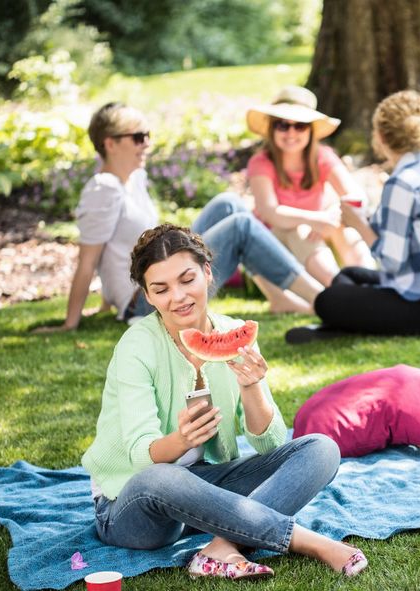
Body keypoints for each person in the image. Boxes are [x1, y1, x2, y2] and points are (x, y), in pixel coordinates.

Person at [81, 223, 368, 581]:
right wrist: (182, 441)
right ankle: (306, 541)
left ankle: (219, 546)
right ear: (148, 296)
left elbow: (271, 443)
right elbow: (141, 454)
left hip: (201, 490)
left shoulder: (235, 331)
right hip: (131, 506)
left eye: (187, 280)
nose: (179, 297)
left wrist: (252, 387)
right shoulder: (136, 347)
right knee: (161, 477)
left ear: (206, 272)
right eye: (161, 289)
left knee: (321, 449)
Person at [34, 101, 323, 334]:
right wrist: (71, 323)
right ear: (110, 143)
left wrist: (106, 304)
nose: (146, 143)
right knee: (241, 227)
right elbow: (89, 260)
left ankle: (279, 298)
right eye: (138, 137)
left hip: (160, 274)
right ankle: (323, 301)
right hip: (147, 301)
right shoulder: (103, 190)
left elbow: (120, 249)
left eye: (147, 135)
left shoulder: (133, 178)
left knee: (228, 204)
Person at [284, 90, 420, 345]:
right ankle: (352, 322)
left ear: (381, 136)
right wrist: (362, 217)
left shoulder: (401, 183)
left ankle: (343, 326)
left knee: (327, 301)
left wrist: (358, 224)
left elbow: (392, 261)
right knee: (351, 275)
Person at [246, 86, 373, 287]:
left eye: (300, 125)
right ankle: (340, 288)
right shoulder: (262, 162)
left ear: (310, 130)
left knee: (344, 225)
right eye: (282, 125)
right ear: (272, 128)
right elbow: (270, 212)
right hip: (272, 247)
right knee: (299, 230)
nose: (291, 132)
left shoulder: (321, 156)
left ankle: (371, 281)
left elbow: (356, 196)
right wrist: (315, 219)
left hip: (313, 239)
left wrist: (333, 214)